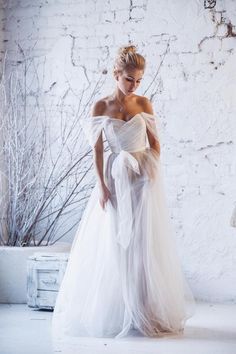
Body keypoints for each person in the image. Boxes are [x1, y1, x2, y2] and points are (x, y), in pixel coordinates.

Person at [51, 45, 196, 340]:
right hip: (116, 180)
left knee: (144, 245)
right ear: (117, 74)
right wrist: (102, 186)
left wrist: (153, 168)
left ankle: (145, 310)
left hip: (143, 178)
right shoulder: (100, 106)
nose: (134, 85)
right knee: (118, 244)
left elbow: (156, 143)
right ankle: (120, 309)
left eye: (139, 80)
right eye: (129, 79)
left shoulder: (143, 103)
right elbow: (98, 149)